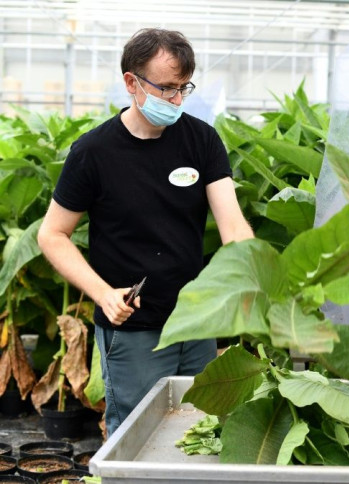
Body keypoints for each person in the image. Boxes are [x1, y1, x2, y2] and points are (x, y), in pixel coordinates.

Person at [37, 28, 254, 437]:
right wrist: (103, 293)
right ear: (131, 82)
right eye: (167, 89)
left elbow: (232, 224)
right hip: (135, 328)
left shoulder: (201, 139)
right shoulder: (93, 153)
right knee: (137, 436)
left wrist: (258, 274)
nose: (177, 100)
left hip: (197, 321)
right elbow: (52, 234)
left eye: (184, 88)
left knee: (201, 433)